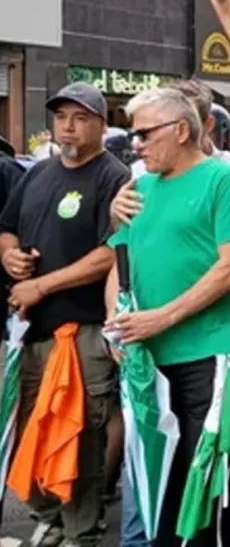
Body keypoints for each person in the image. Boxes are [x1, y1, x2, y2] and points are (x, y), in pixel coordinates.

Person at [105, 87, 230, 546]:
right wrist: (117, 322)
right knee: (158, 490)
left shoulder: (224, 179)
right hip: (148, 359)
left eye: (145, 133)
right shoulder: (137, 189)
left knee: (204, 490)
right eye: (133, 135)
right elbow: (119, 262)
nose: (136, 145)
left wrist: (162, 318)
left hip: (208, 352)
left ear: (181, 130)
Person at [1, 82, 130, 547]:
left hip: (85, 329)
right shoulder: (38, 173)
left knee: (80, 437)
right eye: (61, 117)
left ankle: (82, 531)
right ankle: (50, 514)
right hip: (32, 328)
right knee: (27, 429)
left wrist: (41, 284)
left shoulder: (115, 177)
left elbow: (109, 254)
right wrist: (10, 257)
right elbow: (7, 227)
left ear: (101, 125)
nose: (68, 127)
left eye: (80, 118)